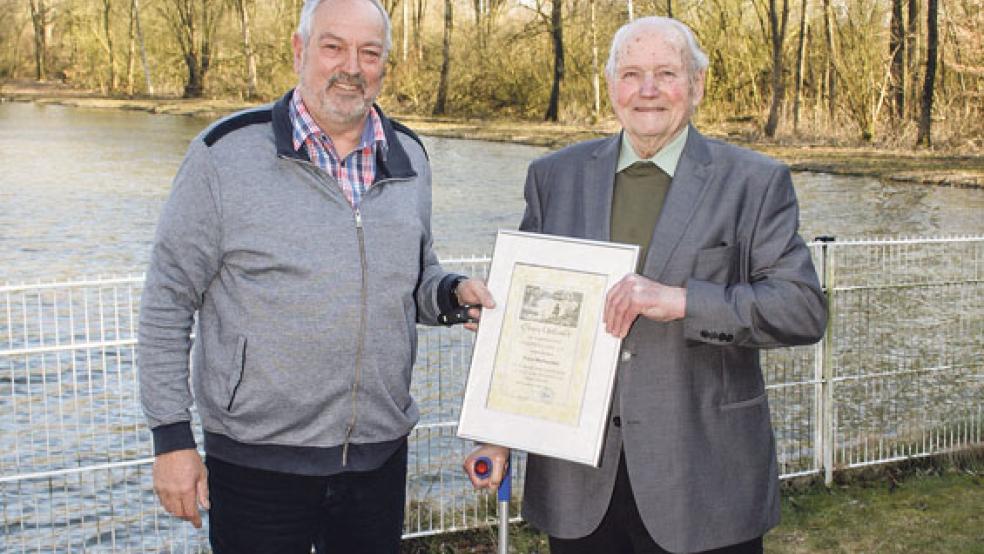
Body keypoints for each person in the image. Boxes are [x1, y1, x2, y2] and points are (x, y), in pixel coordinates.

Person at [137, 0, 492, 552]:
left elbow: (415, 274)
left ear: (384, 66)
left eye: (369, 53)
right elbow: (167, 300)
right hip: (257, 464)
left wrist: (448, 294)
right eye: (334, 47)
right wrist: (171, 439)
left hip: (378, 458)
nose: (351, 66)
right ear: (301, 52)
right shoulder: (224, 155)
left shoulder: (411, 157)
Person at [464, 16, 827, 554]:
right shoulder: (554, 177)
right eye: (632, 74)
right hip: (579, 483)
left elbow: (801, 310)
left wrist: (681, 302)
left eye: (666, 73)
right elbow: (527, 324)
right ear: (611, 86)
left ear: (698, 84)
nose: (648, 90)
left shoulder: (754, 182)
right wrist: (498, 431)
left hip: (704, 482)